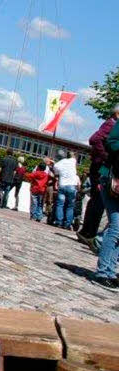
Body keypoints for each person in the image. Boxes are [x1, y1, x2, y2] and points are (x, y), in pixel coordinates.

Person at [79, 106, 119, 249]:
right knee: (100, 198)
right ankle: (92, 235)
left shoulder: (111, 124)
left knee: (98, 197)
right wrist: (104, 155)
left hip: (104, 167)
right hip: (103, 166)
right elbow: (94, 139)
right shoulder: (111, 124)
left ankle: (88, 233)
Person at [92, 121, 119, 290]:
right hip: (113, 178)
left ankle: (109, 270)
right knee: (116, 227)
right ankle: (103, 272)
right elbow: (112, 142)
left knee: (117, 228)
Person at [53, 150, 80, 229]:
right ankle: (67, 224)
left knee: (60, 204)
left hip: (62, 184)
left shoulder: (61, 162)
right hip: (71, 185)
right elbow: (74, 156)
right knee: (70, 206)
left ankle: (59, 222)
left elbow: (55, 168)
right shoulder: (73, 161)